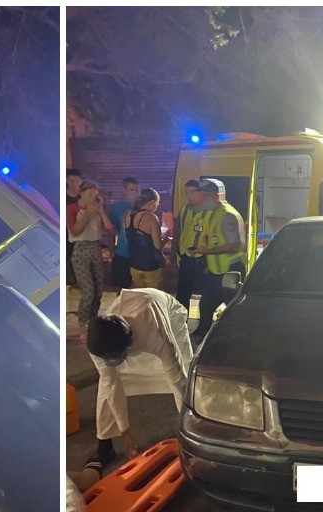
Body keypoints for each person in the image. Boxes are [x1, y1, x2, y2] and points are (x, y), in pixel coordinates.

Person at [86, 288, 192, 465]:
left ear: (129, 345)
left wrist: (186, 433)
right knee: (106, 384)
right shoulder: (97, 344)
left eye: (117, 356)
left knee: (184, 372)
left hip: (167, 311)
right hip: (129, 320)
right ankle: (105, 446)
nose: (113, 361)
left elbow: (178, 380)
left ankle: (190, 431)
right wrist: (126, 433)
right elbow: (111, 385)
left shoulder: (155, 331)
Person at [191, 179, 245, 343]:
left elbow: (232, 245)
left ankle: (238, 339)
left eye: (205, 196)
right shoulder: (213, 214)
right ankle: (202, 335)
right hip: (216, 272)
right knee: (206, 305)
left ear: (216, 196)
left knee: (233, 309)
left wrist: (205, 251)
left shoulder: (227, 215)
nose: (201, 199)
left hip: (230, 272)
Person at [68, 180, 112, 342]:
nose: (93, 197)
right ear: (81, 194)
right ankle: (82, 325)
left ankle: (93, 323)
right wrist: (87, 213)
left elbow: (109, 228)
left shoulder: (96, 210)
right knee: (88, 291)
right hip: (80, 249)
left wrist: (101, 212)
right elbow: (75, 230)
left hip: (95, 248)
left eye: (95, 195)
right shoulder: (72, 209)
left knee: (98, 290)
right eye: (90, 194)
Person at [174, 179, 206, 311]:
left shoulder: (208, 212)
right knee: (182, 296)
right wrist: (173, 253)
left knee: (205, 296)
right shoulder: (185, 210)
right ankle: (182, 321)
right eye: (187, 193)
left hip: (202, 259)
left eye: (193, 192)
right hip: (186, 258)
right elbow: (177, 232)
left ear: (201, 192)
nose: (189, 196)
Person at [125, 188, 166, 289]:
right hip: (151, 266)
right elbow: (158, 245)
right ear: (152, 202)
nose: (156, 207)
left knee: (140, 294)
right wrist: (165, 240)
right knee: (152, 295)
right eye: (157, 204)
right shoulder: (151, 218)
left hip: (134, 265)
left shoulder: (128, 215)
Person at [108, 176, 139, 289]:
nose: (135, 193)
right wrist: (112, 251)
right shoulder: (117, 208)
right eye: (131, 190)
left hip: (139, 254)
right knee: (121, 288)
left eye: (137, 190)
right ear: (124, 190)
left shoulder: (142, 206)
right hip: (123, 253)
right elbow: (112, 231)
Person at [65, 168, 82, 286]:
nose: (75, 184)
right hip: (68, 234)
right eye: (72, 181)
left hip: (82, 234)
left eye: (77, 181)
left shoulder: (83, 197)